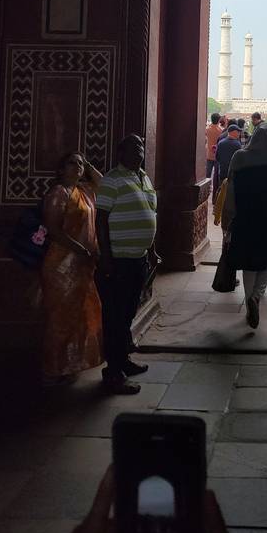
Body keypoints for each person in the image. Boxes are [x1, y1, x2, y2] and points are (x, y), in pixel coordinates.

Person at [95, 135, 157, 394]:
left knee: (128, 311)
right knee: (115, 316)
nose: (138, 154)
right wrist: (106, 257)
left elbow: (151, 213)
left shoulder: (142, 177)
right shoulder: (111, 180)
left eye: (141, 149)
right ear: (120, 153)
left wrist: (152, 249)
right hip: (119, 259)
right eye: (133, 150)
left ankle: (123, 360)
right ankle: (113, 373)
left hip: (138, 257)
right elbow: (100, 220)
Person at [41, 152, 103, 384]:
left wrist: (88, 164)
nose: (77, 167)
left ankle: (74, 363)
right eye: (72, 163)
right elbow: (54, 230)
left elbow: (103, 184)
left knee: (82, 313)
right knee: (61, 316)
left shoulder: (85, 192)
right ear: (60, 170)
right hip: (61, 265)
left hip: (82, 264)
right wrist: (79, 249)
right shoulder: (59, 193)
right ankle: (56, 366)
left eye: (80, 163)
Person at [223, 122, 267, 329]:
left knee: (248, 258)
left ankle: (249, 297)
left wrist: (227, 215)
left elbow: (230, 186)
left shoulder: (239, 157)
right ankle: (256, 297)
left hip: (244, 215)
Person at [205, 112, 223, 178]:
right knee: (216, 173)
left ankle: (207, 187)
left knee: (208, 173)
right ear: (219, 120)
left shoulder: (207, 130)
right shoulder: (221, 131)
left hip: (209, 154)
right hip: (217, 154)